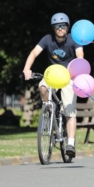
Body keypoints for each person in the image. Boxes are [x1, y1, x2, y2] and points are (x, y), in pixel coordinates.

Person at [23, 12, 83, 157]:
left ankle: (70, 143)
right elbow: (33, 53)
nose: (60, 28)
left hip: (69, 75)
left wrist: (78, 71)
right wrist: (26, 69)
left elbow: (80, 56)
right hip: (53, 74)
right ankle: (48, 110)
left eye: (62, 26)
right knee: (42, 87)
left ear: (67, 27)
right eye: (57, 26)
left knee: (69, 110)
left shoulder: (73, 40)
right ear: (53, 28)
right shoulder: (47, 39)